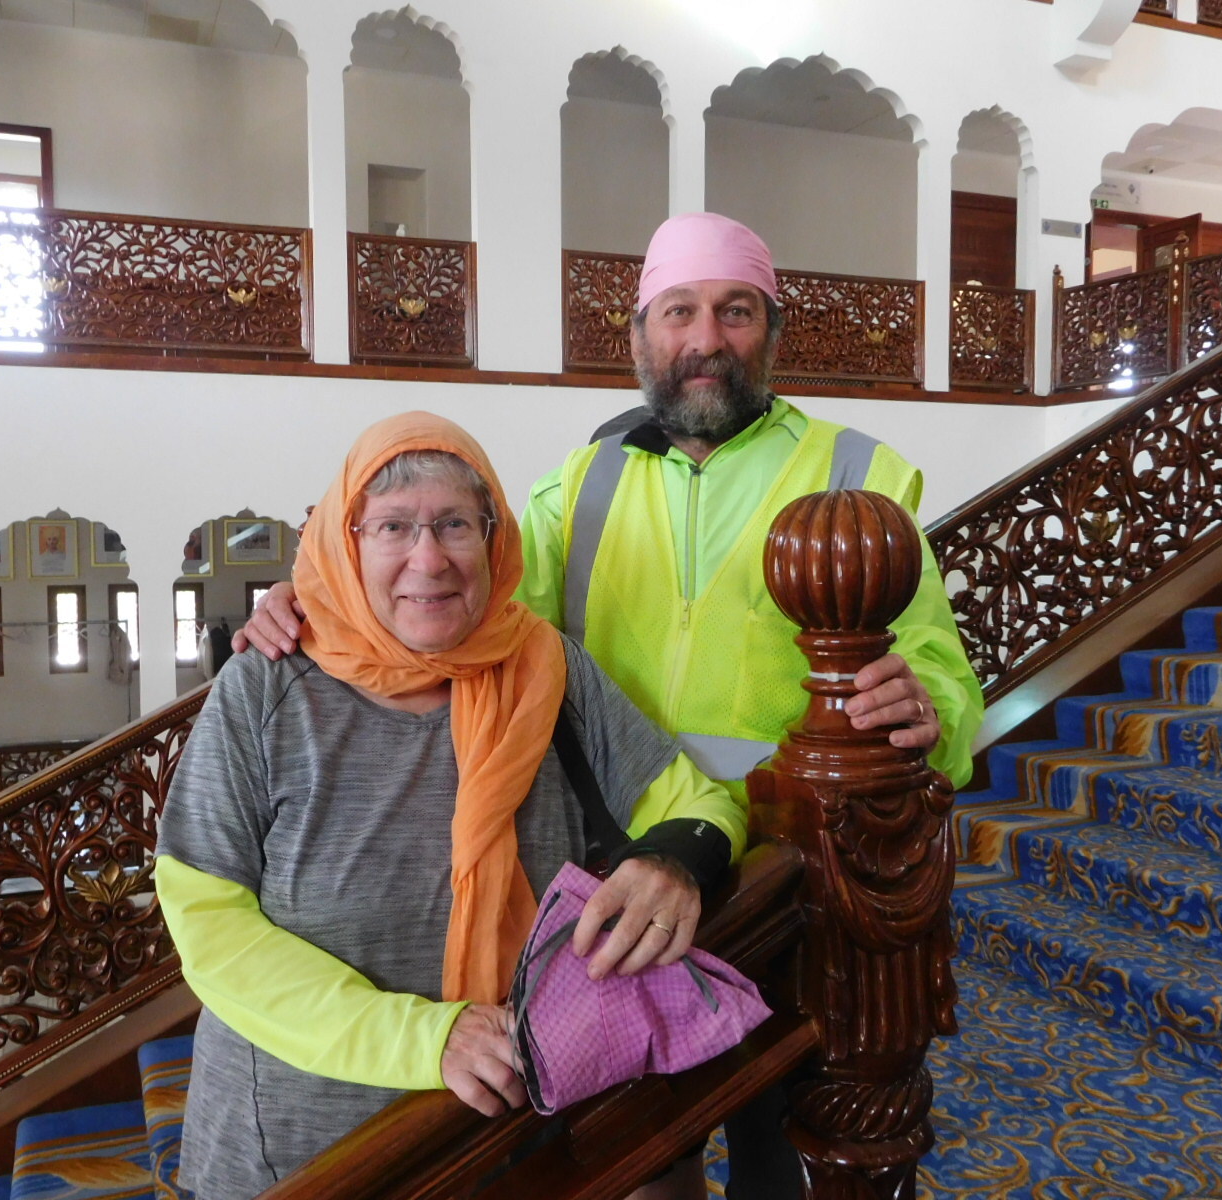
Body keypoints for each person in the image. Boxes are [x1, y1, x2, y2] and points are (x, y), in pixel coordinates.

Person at [236, 213, 984, 1198]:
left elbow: (943, 680)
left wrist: (926, 706)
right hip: (622, 889)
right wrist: (319, 599)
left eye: (736, 311)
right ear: (639, 334)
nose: (706, 338)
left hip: (804, 889)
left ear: (773, 330)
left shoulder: (857, 475)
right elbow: (472, 617)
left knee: (792, 1155)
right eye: (679, 312)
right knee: (644, 1160)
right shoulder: (580, 483)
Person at [156, 412, 748, 1199]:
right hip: (299, 1154)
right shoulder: (267, 689)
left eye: (455, 525)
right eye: (393, 527)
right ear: (345, 542)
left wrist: (675, 862)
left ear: (494, 538)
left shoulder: (546, 669)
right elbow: (210, 925)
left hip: (508, 1140)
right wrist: (425, 1039)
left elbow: (696, 802)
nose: (428, 558)